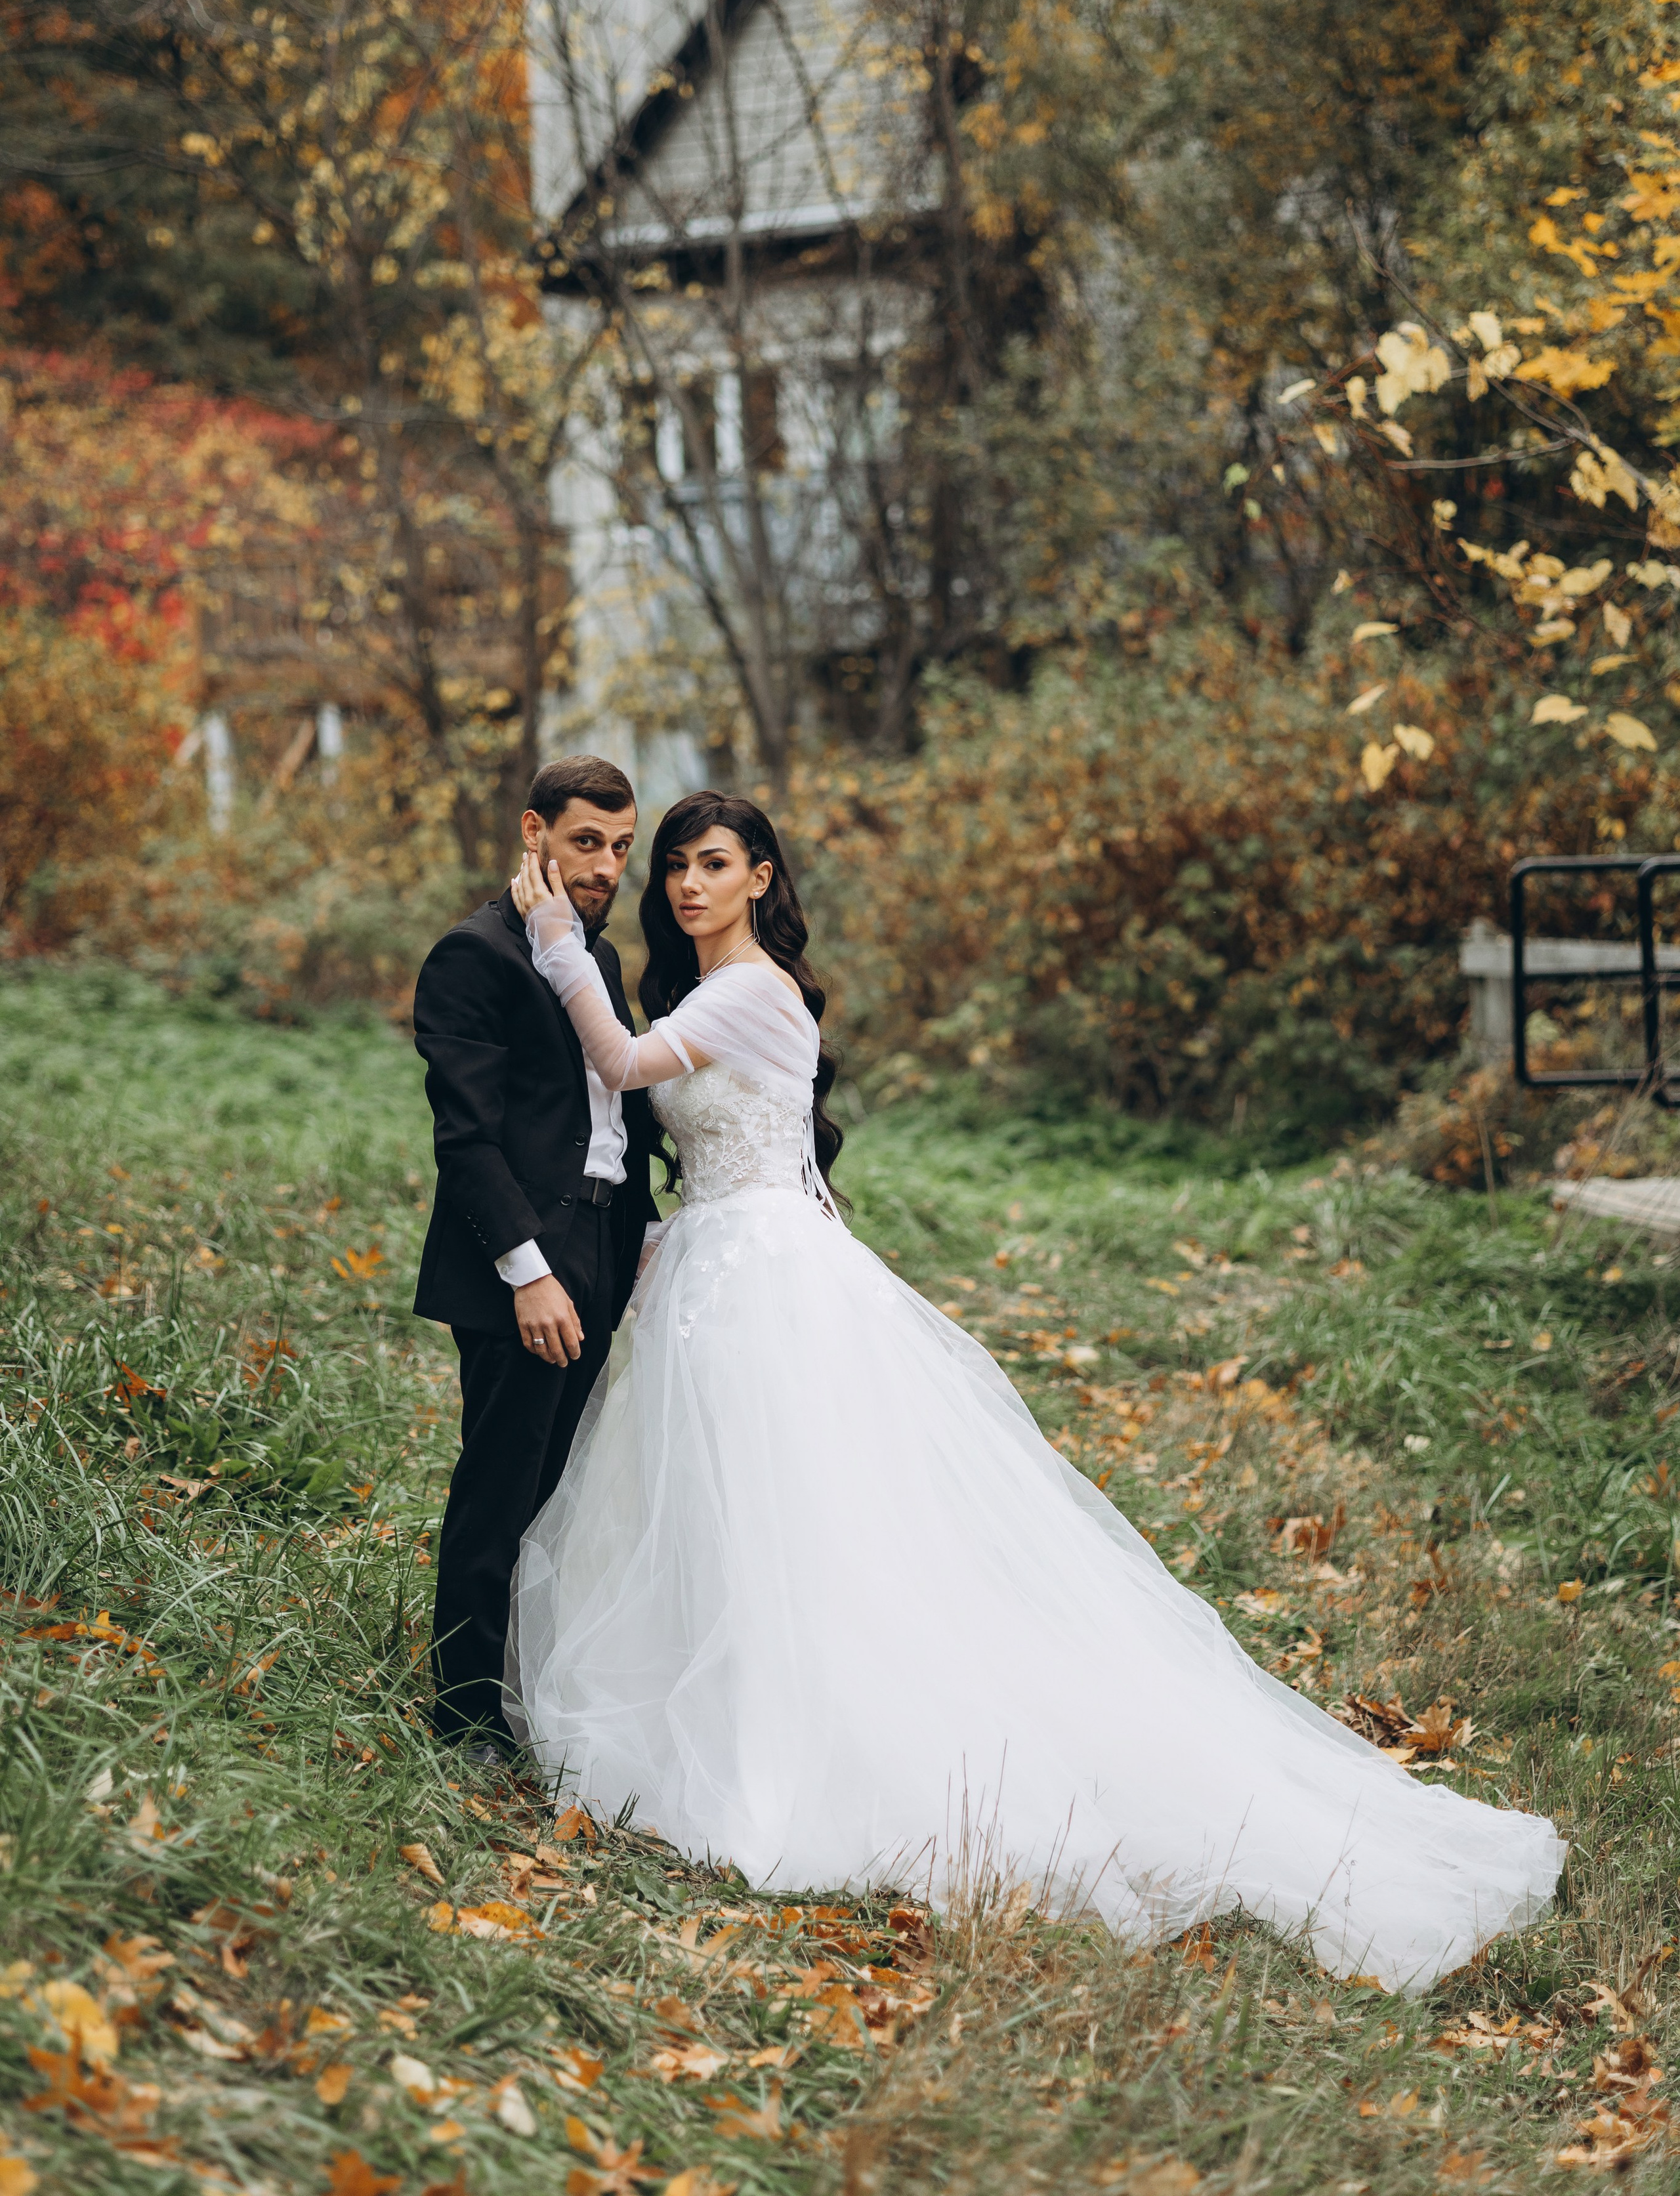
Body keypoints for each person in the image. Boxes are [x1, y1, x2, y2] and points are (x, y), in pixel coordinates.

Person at [502, 790, 1565, 1993]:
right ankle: (736, 1720)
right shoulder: (713, 990)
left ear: (761, 878)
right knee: (739, 1513)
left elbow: (629, 1063)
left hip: (763, 1279)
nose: (689, 885)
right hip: (719, 1261)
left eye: (715, 864)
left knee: (793, 1514)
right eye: (679, 867)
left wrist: (554, 944)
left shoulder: (751, 988)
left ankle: (808, 1759)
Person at [411, 755, 658, 1758]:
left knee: (561, 1485)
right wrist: (529, 1269)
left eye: (621, 847)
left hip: (599, 1245)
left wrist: (636, 1238)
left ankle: (530, 1688)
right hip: (526, 1265)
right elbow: (466, 1138)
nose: (604, 866)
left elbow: (612, 1117)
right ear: (534, 831)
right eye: (586, 841)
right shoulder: (474, 956)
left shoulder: (589, 957)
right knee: (502, 1481)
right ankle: (464, 1713)